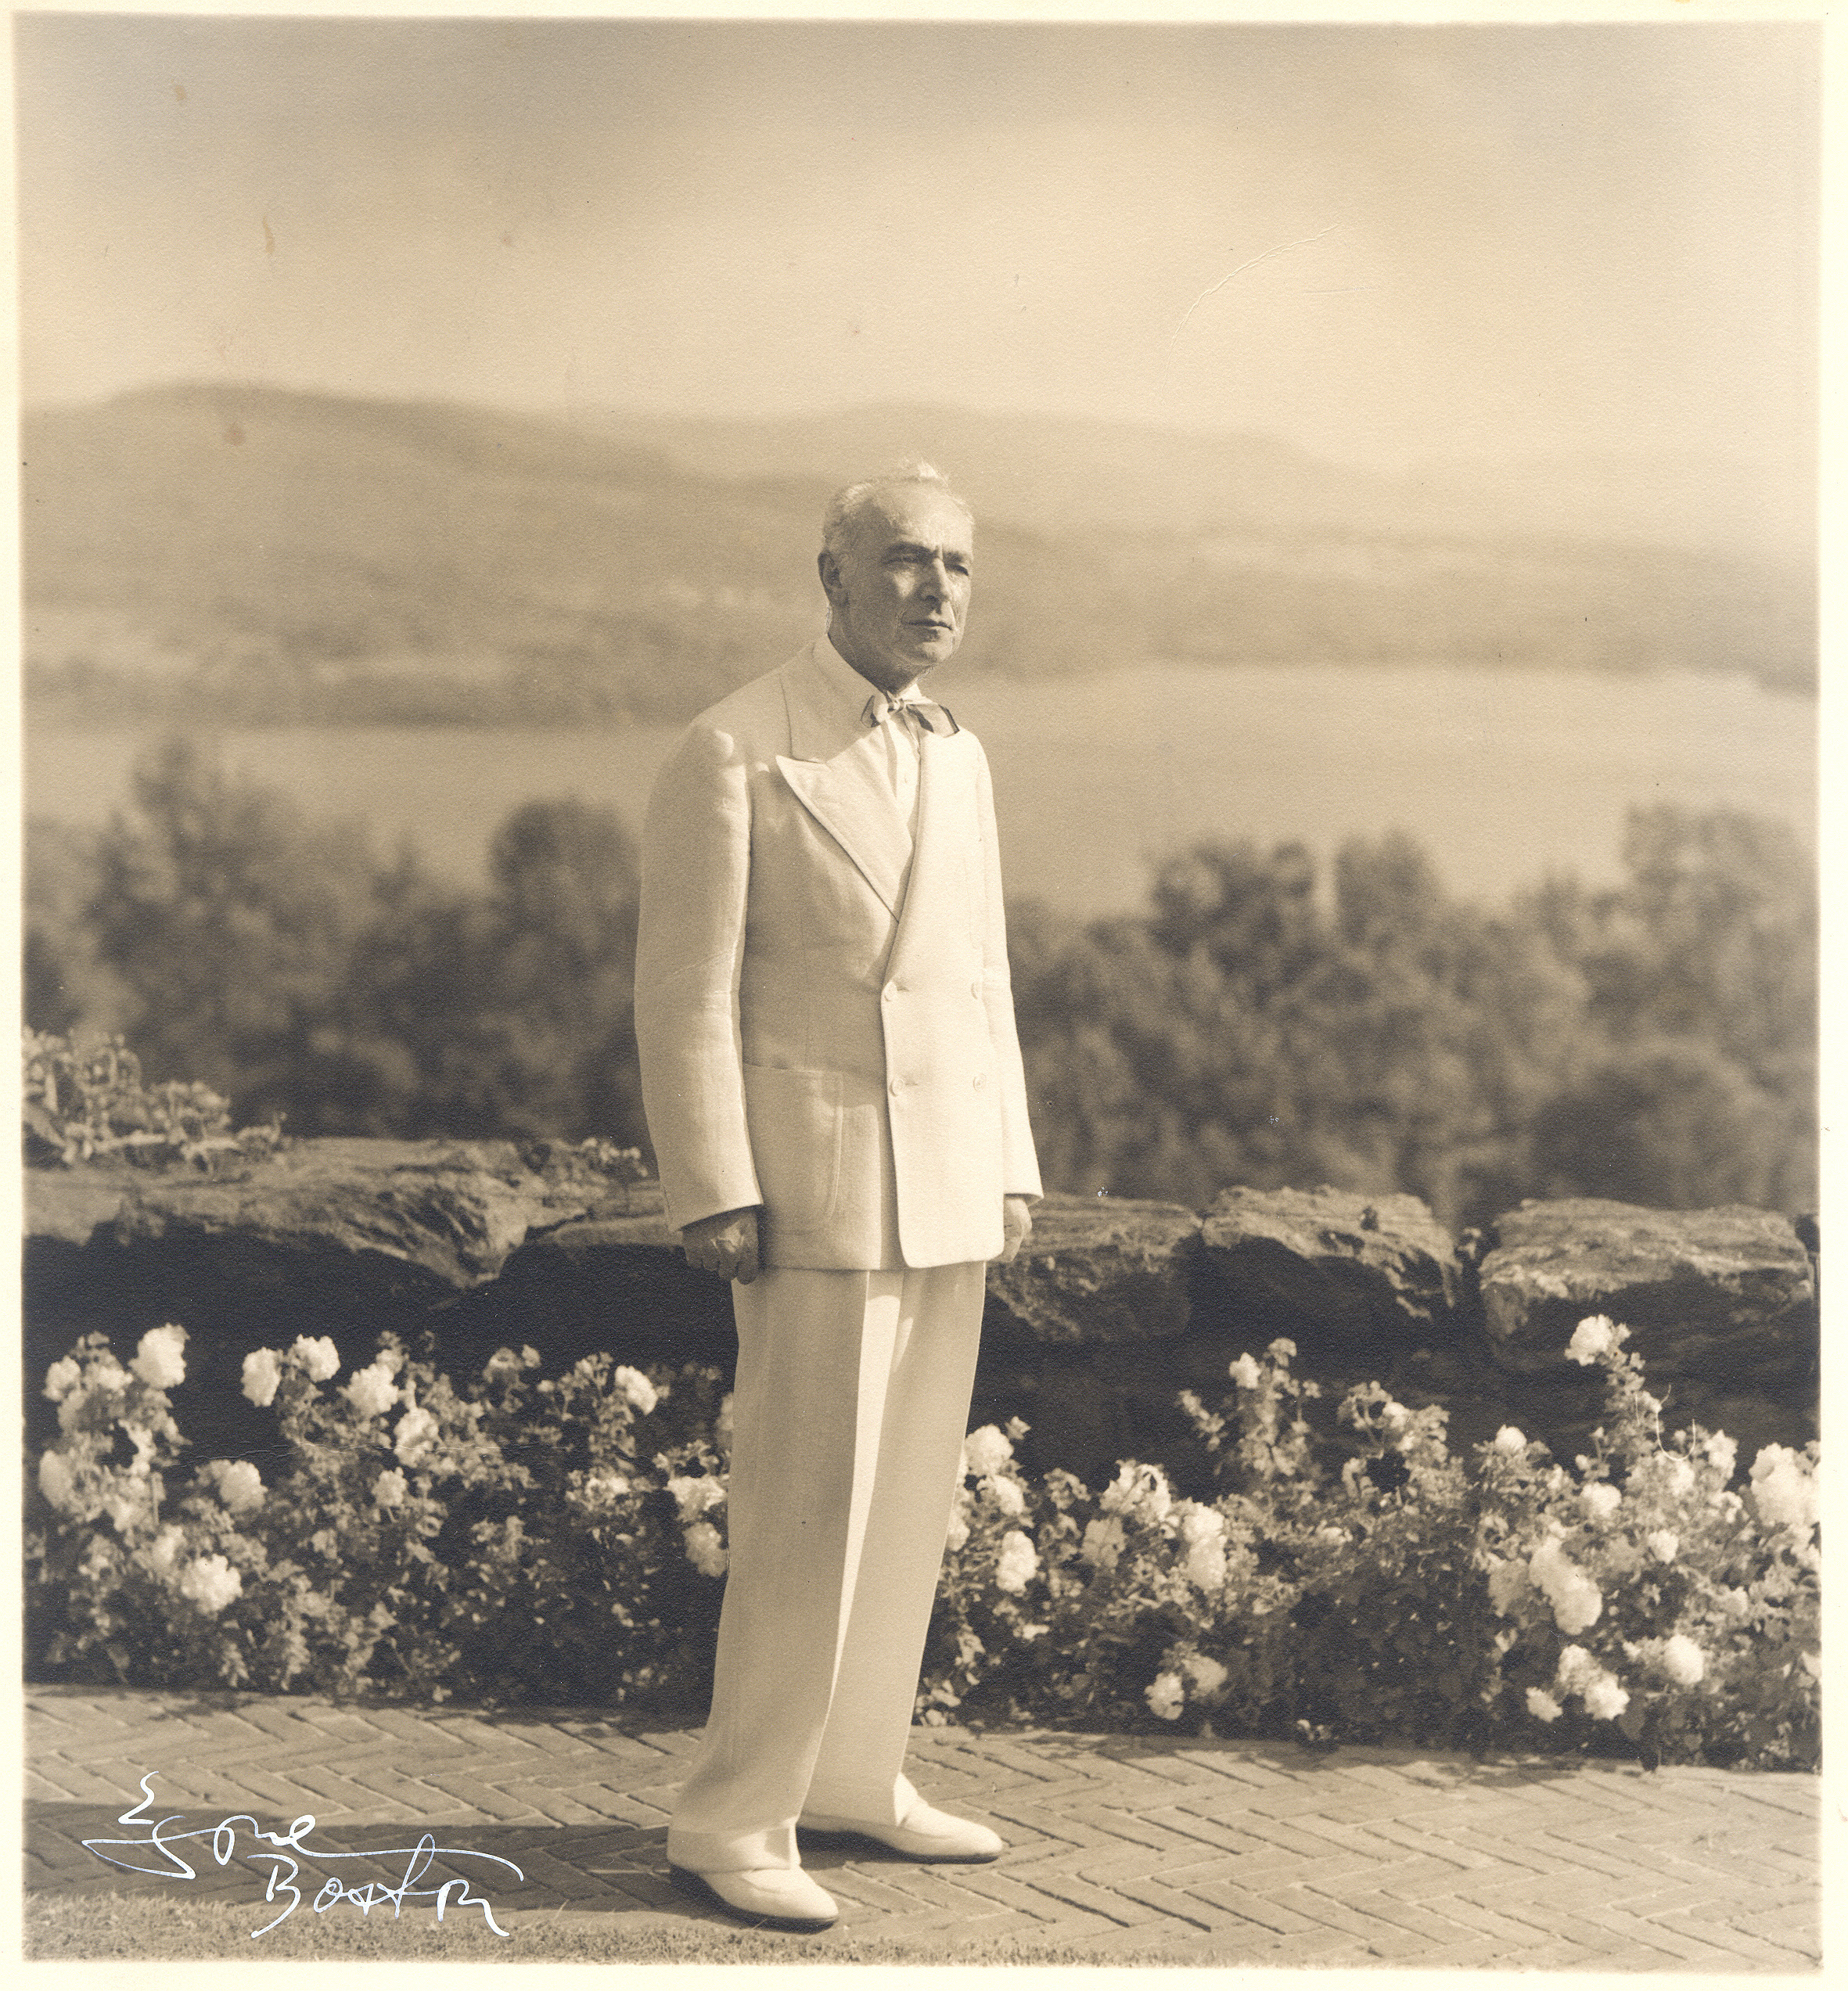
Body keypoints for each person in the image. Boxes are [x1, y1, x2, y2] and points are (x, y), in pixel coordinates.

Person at [634, 462, 1041, 1932]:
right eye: (905, 560)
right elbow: (683, 996)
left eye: (958, 566)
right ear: (832, 577)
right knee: (804, 1509)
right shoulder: (736, 748)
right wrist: (714, 1186)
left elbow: (983, 979)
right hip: (807, 1192)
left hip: (942, 1192)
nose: (935, 588)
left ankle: (857, 1778)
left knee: (907, 1502)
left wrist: (1009, 1163)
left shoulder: (961, 756)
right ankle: (732, 1815)